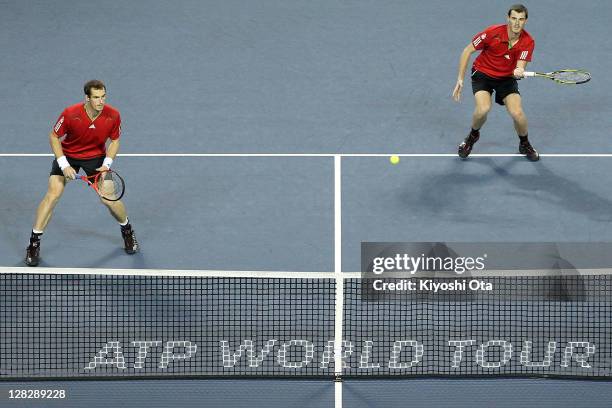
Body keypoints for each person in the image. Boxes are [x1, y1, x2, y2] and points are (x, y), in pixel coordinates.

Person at [25, 80, 139, 266]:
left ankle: (127, 230)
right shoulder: (70, 114)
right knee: (52, 195)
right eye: (96, 98)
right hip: (69, 156)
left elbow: (115, 141)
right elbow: (54, 136)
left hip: (97, 159)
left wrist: (106, 164)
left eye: (103, 97)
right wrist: (63, 164)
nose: (101, 101)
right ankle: (33, 243)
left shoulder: (113, 115)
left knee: (108, 197)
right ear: (87, 98)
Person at [452, 4, 538, 161]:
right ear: (508, 18)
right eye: (513, 18)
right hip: (483, 74)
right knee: (483, 109)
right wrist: (460, 78)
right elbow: (467, 51)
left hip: (506, 78)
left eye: (521, 19)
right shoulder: (491, 33)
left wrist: (519, 71)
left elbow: (520, 65)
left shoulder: (528, 41)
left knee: (517, 113)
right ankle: (472, 136)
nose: (517, 23)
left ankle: (524, 143)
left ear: (526, 21)